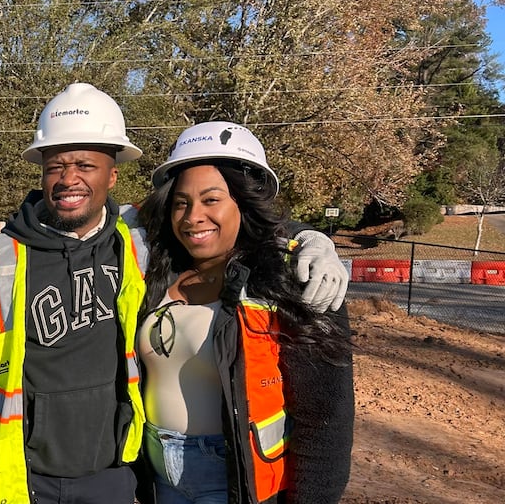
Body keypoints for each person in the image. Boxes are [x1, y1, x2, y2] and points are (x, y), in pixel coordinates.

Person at [0, 83, 349, 504]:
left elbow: (225, 219)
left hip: (154, 476)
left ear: (113, 174)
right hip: (64, 477)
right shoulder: (6, 259)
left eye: (86, 165)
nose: (70, 179)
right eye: (56, 165)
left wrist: (305, 239)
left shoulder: (138, 244)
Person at [136, 122, 354, 503]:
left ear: (244, 201)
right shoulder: (154, 268)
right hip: (159, 478)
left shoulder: (292, 280)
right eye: (181, 202)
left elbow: (324, 417)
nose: (192, 216)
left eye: (211, 199)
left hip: (236, 479)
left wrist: (311, 238)